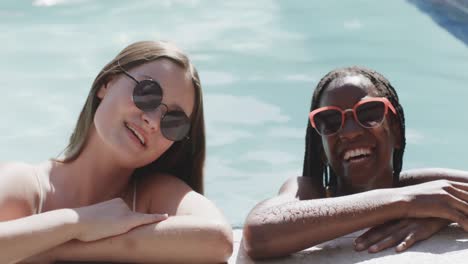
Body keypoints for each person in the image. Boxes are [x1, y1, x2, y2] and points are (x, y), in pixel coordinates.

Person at [0, 40, 233, 263]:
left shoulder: (153, 196)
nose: (152, 121)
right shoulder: (28, 187)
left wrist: (54, 249)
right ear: (106, 84)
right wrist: (77, 223)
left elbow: (218, 240)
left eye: (173, 121)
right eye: (148, 93)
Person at [243, 66, 468, 259]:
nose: (349, 132)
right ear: (321, 149)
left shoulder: (418, 187)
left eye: (369, 113)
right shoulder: (309, 191)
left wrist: (441, 214)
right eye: (330, 121)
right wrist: (407, 202)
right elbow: (259, 233)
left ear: (397, 132)